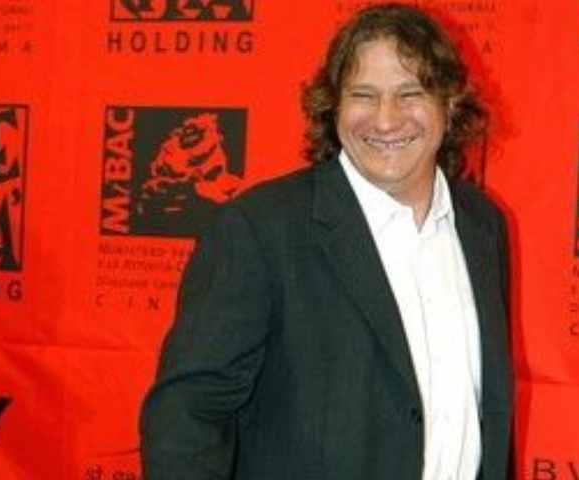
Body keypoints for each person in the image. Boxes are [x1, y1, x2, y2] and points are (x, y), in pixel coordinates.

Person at [139, 4, 513, 480]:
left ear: (450, 103)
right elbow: (185, 421)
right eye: (363, 95)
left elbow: (485, 416)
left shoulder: (482, 226)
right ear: (333, 106)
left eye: (410, 94)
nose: (385, 120)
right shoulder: (259, 230)